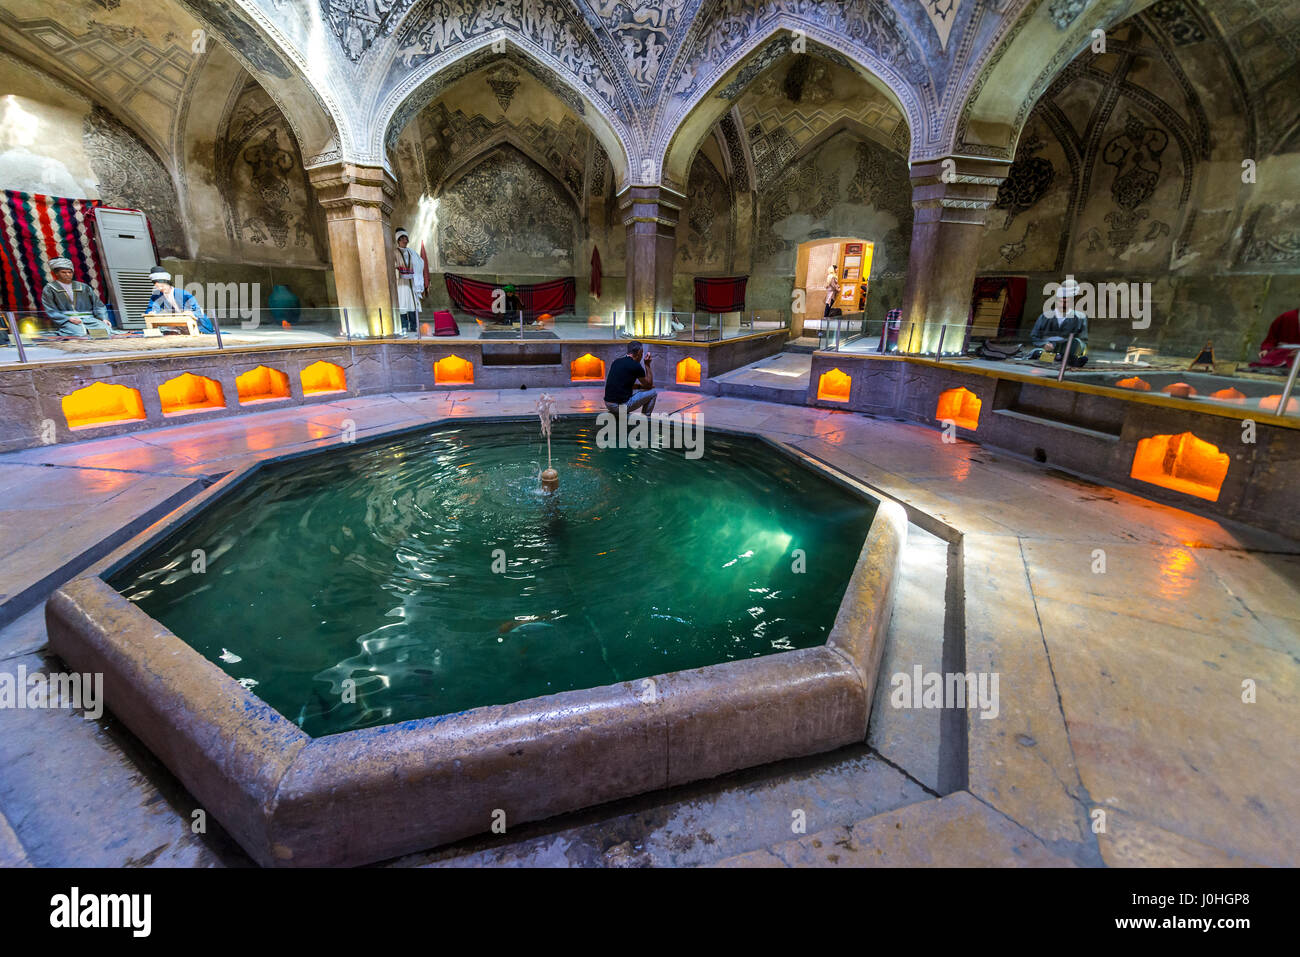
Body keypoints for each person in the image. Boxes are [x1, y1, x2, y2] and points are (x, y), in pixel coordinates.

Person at [40, 258, 113, 337]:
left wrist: (103, 318)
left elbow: (98, 305)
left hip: (89, 319)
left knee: (105, 331)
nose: (67, 275)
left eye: (70, 272)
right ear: (56, 273)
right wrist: (68, 319)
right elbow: (51, 310)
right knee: (78, 333)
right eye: (63, 272)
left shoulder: (83, 287)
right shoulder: (50, 289)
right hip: (67, 321)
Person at [1029, 278, 1088, 366]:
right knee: (1038, 353)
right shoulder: (1045, 316)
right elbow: (1034, 336)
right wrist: (1044, 344)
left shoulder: (1080, 317)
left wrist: (1075, 348)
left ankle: (1066, 358)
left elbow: (1083, 339)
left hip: (1067, 350)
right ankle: (1061, 358)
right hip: (1047, 350)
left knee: (1072, 352)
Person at [145, 267, 213, 333]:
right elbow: (152, 308)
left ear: (168, 283)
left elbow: (198, 310)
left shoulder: (183, 294)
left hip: (198, 324)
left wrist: (191, 313)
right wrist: (152, 312)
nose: (160, 288)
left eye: (162, 286)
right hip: (178, 325)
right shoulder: (156, 296)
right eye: (157, 286)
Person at [604, 340, 657, 415]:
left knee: (636, 392)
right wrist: (647, 364)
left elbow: (622, 384)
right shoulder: (635, 366)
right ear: (639, 353)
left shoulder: (616, 362)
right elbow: (649, 384)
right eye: (642, 353)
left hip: (608, 404)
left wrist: (640, 386)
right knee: (653, 393)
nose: (642, 356)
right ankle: (645, 420)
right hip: (620, 407)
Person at [394, 228, 424, 334]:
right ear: (398, 240)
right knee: (402, 303)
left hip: (411, 281)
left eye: (406, 238)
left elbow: (421, 262)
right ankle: (404, 326)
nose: (405, 241)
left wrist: (415, 269)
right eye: (402, 239)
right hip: (400, 282)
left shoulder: (412, 252)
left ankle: (414, 325)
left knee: (412, 303)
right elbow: (391, 266)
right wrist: (398, 270)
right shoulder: (394, 252)